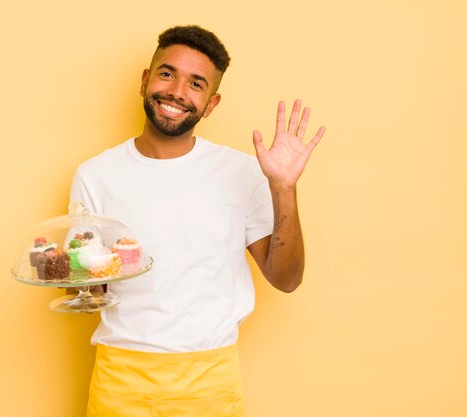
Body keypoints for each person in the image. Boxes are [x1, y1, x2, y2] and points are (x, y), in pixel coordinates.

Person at [70, 25, 325, 417]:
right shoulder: (95, 174)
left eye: (196, 84)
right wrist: (76, 274)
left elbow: (286, 279)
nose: (176, 92)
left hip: (211, 381)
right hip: (119, 377)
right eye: (167, 74)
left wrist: (283, 187)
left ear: (211, 104)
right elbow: (89, 286)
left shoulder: (243, 172)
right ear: (145, 80)